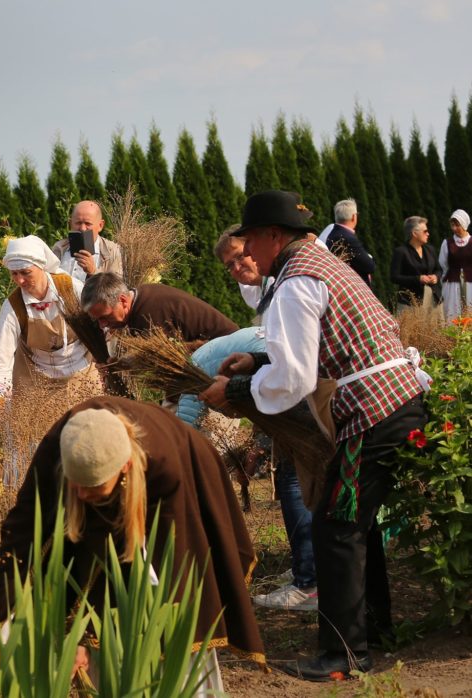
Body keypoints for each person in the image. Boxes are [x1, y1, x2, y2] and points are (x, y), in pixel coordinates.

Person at [200, 190, 426, 681]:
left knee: (335, 525)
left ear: (273, 236)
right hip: (397, 399)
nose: (248, 252)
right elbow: (316, 349)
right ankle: (374, 630)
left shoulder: (297, 282)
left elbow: (294, 380)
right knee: (353, 523)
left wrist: (237, 388)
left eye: (250, 240)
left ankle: (343, 656)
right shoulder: (320, 265)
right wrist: (257, 360)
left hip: (374, 409)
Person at [0, 398, 265, 690]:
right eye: (75, 484)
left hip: (184, 463)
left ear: (124, 467)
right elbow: (20, 534)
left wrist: (84, 634)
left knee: (177, 622)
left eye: (92, 487)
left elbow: (148, 574)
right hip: (111, 469)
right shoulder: (62, 445)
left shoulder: (164, 470)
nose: (81, 495)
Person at [207, 229, 318, 613]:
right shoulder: (266, 286)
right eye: (230, 265)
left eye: (242, 256)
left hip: (306, 396)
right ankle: (309, 572)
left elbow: (294, 362)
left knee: (293, 481)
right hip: (287, 389)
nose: (238, 268)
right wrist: (254, 365)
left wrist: (241, 389)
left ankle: (309, 583)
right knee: (291, 479)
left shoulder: (289, 281)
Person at [0, 236, 100, 399]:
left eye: (26, 272)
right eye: (14, 274)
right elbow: (0, 358)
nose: (20, 280)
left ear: (41, 266)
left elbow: (100, 323)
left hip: (82, 376)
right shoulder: (14, 306)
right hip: (36, 384)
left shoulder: (70, 288)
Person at [80, 273, 238, 350]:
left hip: (227, 352)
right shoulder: (142, 296)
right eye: (98, 320)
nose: (103, 325)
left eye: (105, 317)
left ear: (122, 300)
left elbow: (170, 364)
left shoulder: (149, 315)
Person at [51, 201, 123, 283]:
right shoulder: (60, 248)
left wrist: (93, 272)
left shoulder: (112, 252)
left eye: (88, 223)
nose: (82, 228)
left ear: (100, 225)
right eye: (78, 223)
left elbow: (116, 289)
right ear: (70, 223)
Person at [390, 216, 442, 313]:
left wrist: (436, 277)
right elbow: (394, 277)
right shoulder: (401, 252)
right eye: (425, 231)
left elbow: (438, 269)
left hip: (433, 300)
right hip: (409, 303)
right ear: (414, 233)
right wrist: (418, 279)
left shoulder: (430, 249)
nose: (428, 234)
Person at [322, 199, 375, 286]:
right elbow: (370, 266)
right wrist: (370, 257)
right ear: (354, 217)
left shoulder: (332, 232)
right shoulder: (347, 237)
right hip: (352, 286)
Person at [439, 209, 471, 320]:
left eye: (457, 225)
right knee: (453, 316)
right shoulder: (447, 243)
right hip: (453, 285)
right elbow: (443, 265)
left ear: (464, 224)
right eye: (452, 225)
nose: (454, 228)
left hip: (471, 284)